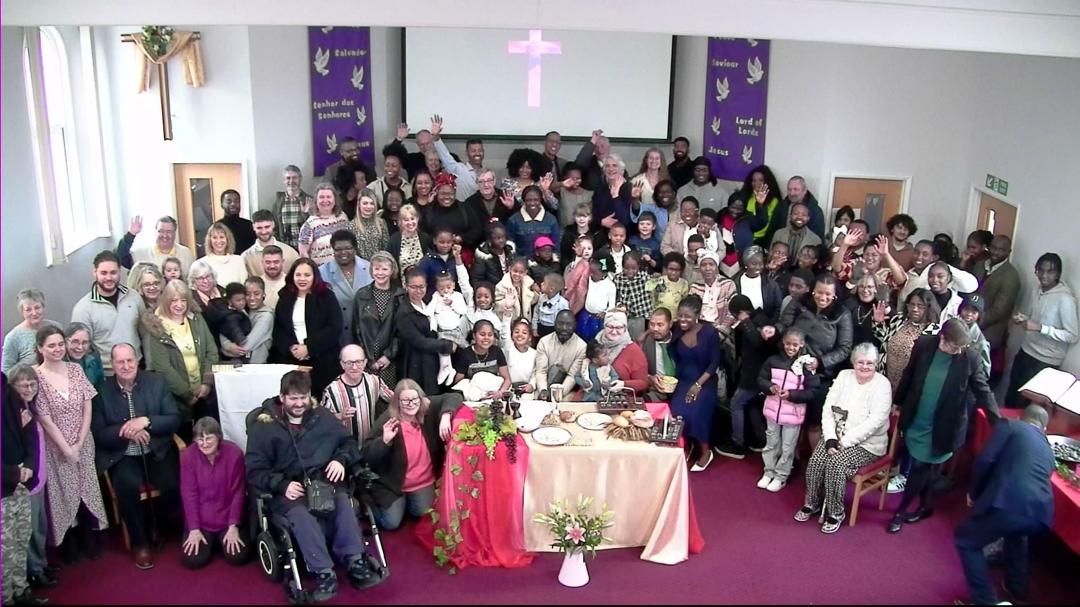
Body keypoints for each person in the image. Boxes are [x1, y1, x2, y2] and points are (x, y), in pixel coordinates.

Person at [246, 371, 383, 602]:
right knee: (300, 514)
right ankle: (324, 573)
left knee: (343, 502)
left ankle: (355, 561)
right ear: (282, 397)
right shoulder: (264, 427)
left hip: (323, 483)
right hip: (288, 489)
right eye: (293, 398)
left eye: (303, 397)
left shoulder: (322, 416)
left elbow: (347, 443)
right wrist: (282, 485)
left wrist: (340, 460)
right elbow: (254, 470)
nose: (299, 403)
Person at [888, 319, 1001, 534]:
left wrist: (998, 422)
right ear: (942, 338)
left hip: (943, 426)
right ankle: (926, 507)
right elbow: (909, 373)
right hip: (917, 418)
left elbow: (983, 391)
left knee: (920, 467)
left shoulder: (970, 358)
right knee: (926, 468)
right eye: (955, 346)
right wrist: (898, 401)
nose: (958, 351)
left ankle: (900, 512)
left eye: (962, 347)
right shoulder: (924, 344)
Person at [90, 344, 180, 569]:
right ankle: (140, 543)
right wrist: (127, 430)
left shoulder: (156, 382)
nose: (126, 366)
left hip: (156, 450)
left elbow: (173, 419)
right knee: (126, 486)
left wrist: (146, 421)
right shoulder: (101, 391)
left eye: (129, 360)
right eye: (120, 362)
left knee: (171, 483)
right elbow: (99, 433)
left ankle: (159, 526)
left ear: (137, 360)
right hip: (122, 455)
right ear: (112, 364)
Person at [953, 405, 1054, 606]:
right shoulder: (1047, 447)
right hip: (1041, 515)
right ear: (1044, 428)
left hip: (1008, 503)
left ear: (1022, 417)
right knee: (1016, 534)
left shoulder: (1010, 425)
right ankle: (1018, 588)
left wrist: (974, 493)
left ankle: (985, 601)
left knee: (966, 541)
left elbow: (985, 459)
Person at [794, 343, 892, 533]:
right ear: (853, 362)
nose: (865, 366)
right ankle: (812, 502)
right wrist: (830, 438)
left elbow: (875, 421)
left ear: (876, 364)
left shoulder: (882, 385)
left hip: (867, 444)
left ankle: (835, 512)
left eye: (870, 363)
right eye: (860, 362)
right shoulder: (844, 376)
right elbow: (828, 408)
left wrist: (844, 443)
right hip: (835, 436)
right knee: (816, 461)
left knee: (836, 464)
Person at [33, 326, 108, 562]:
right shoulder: (36, 376)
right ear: (40, 348)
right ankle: (69, 541)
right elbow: (43, 417)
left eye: (60, 344)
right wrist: (67, 449)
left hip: (83, 441)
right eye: (51, 345)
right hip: (56, 446)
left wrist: (79, 442)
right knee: (63, 492)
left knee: (87, 489)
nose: (57, 349)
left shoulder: (75, 369)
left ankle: (90, 535)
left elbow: (88, 406)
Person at [363, 379, 461, 530]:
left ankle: (407, 503)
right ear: (397, 402)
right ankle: (367, 503)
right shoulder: (388, 420)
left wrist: (446, 415)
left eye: (414, 399)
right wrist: (384, 441)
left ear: (420, 398)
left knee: (422, 512)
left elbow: (455, 396)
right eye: (405, 400)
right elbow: (367, 455)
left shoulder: (427, 408)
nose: (411, 404)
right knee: (391, 523)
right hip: (394, 484)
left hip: (423, 482)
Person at [140, 280, 218, 438]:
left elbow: (211, 351)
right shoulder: (157, 326)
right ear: (166, 301)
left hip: (203, 393)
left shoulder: (196, 318)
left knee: (206, 436)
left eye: (183, 300)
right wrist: (187, 394)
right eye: (174, 300)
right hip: (176, 398)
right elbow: (163, 367)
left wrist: (206, 383)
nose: (179, 305)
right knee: (184, 439)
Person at [1005, 252, 1079, 408]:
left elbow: (1072, 335)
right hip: (1026, 351)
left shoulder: (1065, 299)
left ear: (1058, 274)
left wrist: (1041, 328)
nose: (1044, 275)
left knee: (1026, 407)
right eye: (1040, 270)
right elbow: (1035, 318)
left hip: (1045, 361)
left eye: (1050, 271)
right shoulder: (1036, 289)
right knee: (1011, 397)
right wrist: (1023, 319)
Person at [8, 366, 57, 591]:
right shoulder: (14, 412)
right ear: (12, 387)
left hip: (40, 477)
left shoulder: (31, 407)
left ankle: (41, 564)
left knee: (41, 527)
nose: (29, 389)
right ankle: (34, 572)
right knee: (31, 531)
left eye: (33, 384)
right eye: (24, 385)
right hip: (27, 482)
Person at [2, 373, 49, 606]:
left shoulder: (8, 390)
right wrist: (13, 473)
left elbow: (29, 431)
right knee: (3, 552)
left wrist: (29, 465)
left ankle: (21, 594)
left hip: (21, 483)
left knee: (20, 542)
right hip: (5, 485)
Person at [179, 417, 250, 569]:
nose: (204, 444)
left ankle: (219, 540)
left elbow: (238, 492)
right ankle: (214, 541)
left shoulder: (235, 453)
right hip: (202, 521)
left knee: (239, 557)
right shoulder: (188, 456)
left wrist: (233, 526)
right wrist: (194, 529)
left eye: (209, 438)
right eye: (200, 439)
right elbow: (189, 495)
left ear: (218, 437)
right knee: (192, 560)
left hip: (228, 518)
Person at [757, 329, 821, 492]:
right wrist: (770, 387)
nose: (791, 348)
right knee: (771, 443)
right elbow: (761, 378)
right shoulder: (773, 360)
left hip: (793, 414)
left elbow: (813, 391)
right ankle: (768, 472)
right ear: (783, 343)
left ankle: (781, 476)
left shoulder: (806, 366)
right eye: (788, 344)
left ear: (801, 345)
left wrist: (791, 395)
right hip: (772, 411)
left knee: (787, 447)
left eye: (795, 345)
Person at [271, 259, 344, 395]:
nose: (302, 279)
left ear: (315, 276)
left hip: (323, 359)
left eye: (307, 275)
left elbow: (335, 327)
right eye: (298, 275)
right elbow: (279, 329)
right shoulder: (285, 296)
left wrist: (308, 347)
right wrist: (291, 347)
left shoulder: (327, 296)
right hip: (292, 359)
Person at [669, 295, 723, 472]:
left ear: (697, 315)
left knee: (697, 411)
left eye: (687, 316)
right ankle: (687, 445)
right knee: (677, 411)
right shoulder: (677, 329)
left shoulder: (709, 332)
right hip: (684, 380)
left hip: (705, 380)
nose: (683, 320)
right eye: (680, 316)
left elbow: (714, 362)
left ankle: (706, 452)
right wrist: (645, 334)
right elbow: (660, 333)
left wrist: (698, 385)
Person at [70, 250, 142, 372]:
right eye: (103, 273)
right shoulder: (83, 308)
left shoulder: (134, 296)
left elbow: (145, 333)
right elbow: (79, 348)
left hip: (136, 367)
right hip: (105, 373)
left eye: (113, 272)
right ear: (95, 272)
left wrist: (149, 365)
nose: (109, 278)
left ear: (119, 272)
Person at [396, 270, 457, 395]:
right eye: (413, 287)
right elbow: (418, 341)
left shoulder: (431, 300)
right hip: (417, 364)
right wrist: (446, 345)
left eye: (421, 286)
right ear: (406, 286)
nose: (418, 291)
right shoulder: (404, 312)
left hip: (435, 358)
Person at [322, 345, 394, 445]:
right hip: (345, 447)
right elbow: (322, 420)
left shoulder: (374, 381)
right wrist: (340, 416)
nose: (354, 367)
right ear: (342, 364)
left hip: (369, 444)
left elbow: (394, 398)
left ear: (365, 362)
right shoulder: (331, 391)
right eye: (349, 363)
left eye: (358, 362)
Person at [873, 288, 942, 391]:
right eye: (911, 305)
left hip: (909, 386)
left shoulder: (934, 331)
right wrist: (878, 322)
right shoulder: (899, 320)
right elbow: (884, 340)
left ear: (929, 307)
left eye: (920, 306)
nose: (915, 309)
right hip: (886, 379)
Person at [973, 235, 1020, 384]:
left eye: (1001, 249)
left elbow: (1000, 310)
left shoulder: (1011, 276)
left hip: (990, 332)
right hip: (970, 324)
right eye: (993, 247)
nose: (995, 252)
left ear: (1009, 252)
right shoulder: (980, 265)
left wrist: (975, 322)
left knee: (981, 376)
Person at [352, 252, 403, 387]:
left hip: (391, 361)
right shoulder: (361, 295)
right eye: (376, 268)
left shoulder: (400, 296)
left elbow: (402, 331)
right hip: (367, 360)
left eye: (385, 269)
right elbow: (356, 329)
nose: (380, 273)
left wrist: (388, 356)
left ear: (392, 270)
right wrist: (365, 357)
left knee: (389, 395)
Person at [319, 230, 372, 345]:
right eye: (338, 249)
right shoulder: (322, 272)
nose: (343, 252)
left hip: (366, 333)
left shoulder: (369, 268)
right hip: (337, 335)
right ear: (333, 249)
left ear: (355, 248)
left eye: (348, 248)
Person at [3, 290, 62, 373]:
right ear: (22, 312)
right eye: (28, 310)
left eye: (37, 308)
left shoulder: (56, 327)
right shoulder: (13, 337)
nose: (34, 313)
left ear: (43, 307)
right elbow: (5, 371)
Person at [427, 272, 470, 386]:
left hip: (455, 330)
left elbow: (463, 311)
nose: (445, 291)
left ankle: (454, 370)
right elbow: (429, 310)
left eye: (448, 287)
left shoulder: (457, 296)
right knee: (442, 348)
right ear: (437, 288)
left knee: (465, 349)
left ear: (454, 285)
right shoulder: (436, 296)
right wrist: (431, 318)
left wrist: (452, 304)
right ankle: (446, 369)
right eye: (441, 288)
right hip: (442, 330)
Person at [220, 276, 274, 364]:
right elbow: (224, 330)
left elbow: (245, 348)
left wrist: (225, 348)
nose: (252, 298)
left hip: (255, 365)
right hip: (237, 365)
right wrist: (228, 346)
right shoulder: (241, 310)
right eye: (248, 294)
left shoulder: (266, 316)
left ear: (264, 294)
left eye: (257, 294)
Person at [116, 215, 195, 276]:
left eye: (169, 232)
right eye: (161, 231)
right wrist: (130, 235)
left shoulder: (185, 253)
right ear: (155, 232)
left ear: (175, 233)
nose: (165, 235)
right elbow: (120, 257)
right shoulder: (141, 254)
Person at [298, 183, 355, 266]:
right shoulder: (309, 224)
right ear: (316, 201)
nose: (325, 200)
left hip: (343, 268)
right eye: (321, 197)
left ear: (335, 200)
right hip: (321, 271)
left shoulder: (343, 217)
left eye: (328, 197)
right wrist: (313, 270)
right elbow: (303, 252)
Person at [535, 310, 587, 399]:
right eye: (560, 324)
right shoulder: (544, 342)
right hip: (543, 386)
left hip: (566, 390)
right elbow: (541, 371)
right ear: (554, 324)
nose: (564, 328)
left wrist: (558, 394)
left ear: (575, 325)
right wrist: (543, 390)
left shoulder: (581, 347)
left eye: (569, 324)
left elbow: (572, 376)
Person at [595, 310, 649, 395]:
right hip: (592, 394)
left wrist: (624, 384)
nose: (614, 331)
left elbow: (643, 383)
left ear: (625, 328)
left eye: (619, 328)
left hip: (619, 397)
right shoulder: (596, 343)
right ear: (604, 326)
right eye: (610, 327)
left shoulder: (634, 350)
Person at [766, 176, 826, 244]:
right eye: (789, 189)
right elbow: (771, 231)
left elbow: (818, 239)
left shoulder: (815, 211)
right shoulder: (781, 207)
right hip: (781, 248)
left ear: (804, 190)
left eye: (796, 189)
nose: (792, 193)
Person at [243, 209, 300, 278]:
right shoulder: (246, 257)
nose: (263, 232)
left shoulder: (291, 253)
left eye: (267, 227)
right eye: (259, 228)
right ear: (253, 227)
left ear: (273, 224)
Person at [506, 185, 560, 257]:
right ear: (524, 200)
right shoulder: (513, 220)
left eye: (536, 200)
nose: (532, 203)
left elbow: (556, 246)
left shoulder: (551, 219)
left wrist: (554, 261)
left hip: (545, 262)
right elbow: (510, 246)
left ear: (541, 200)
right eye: (528, 200)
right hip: (522, 262)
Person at [272, 165, 314, 250]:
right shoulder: (278, 202)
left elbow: (314, 227)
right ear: (284, 180)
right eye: (288, 178)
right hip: (285, 249)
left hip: (305, 248)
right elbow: (274, 226)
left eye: (294, 178)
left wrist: (305, 214)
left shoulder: (309, 200)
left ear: (300, 179)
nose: (291, 181)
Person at [614, 252, 652, 340]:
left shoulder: (644, 277)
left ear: (638, 266)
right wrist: (619, 305)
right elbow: (616, 297)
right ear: (622, 266)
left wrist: (658, 279)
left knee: (640, 340)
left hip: (642, 316)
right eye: (626, 268)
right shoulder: (618, 279)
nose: (630, 271)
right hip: (625, 316)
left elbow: (659, 289)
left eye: (634, 268)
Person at [387, 204, 432, 279]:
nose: (410, 222)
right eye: (406, 220)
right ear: (400, 222)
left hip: (423, 282)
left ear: (417, 219)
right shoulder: (394, 240)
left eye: (412, 219)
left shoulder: (425, 238)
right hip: (401, 284)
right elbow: (390, 265)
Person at [642, 308, 677, 402]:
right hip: (655, 390)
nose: (655, 329)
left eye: (660, 325)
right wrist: (650, 378)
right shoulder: (645, 343)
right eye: (652, 324)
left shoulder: (679, 341)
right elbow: (636, 370)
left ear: (670, 324)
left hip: (679, 390)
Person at [198, 222, 249, 287]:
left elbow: (244, 286)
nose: (218, 241)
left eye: (222, 237)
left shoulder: (239, 260)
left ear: (228, 239)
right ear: (209, 240)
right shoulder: (201, 263)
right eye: (215, 237)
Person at [352, 189, 390, 261]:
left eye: (372, 203)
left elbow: (386, 247)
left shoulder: (381, 223)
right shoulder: (352, 226)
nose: (368, 207)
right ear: (359, 204)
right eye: (365, 203)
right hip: (361, 265)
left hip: (380, 264)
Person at [649, 252, 691, 318]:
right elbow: (654, 298)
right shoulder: (660, 281)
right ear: (666, 268)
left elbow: (684, 302)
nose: (673, 272)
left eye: (677, 270)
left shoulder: (684, 284)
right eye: (671, 269)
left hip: (675, 318)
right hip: (660, 317)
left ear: (681, 270)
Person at [63, 323, 104, 388]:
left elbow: (100, 385)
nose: (80, 347)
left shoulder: (94, 357)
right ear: (65, 341)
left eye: (85, 342)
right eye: (75, 342)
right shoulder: (57, 360)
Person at [257, 246, 288, 310]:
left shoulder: (290, 283)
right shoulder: (256, 284)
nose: (272, 266)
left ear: (282, 261)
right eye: (268, 262)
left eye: (276, 262)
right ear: (262, 262)